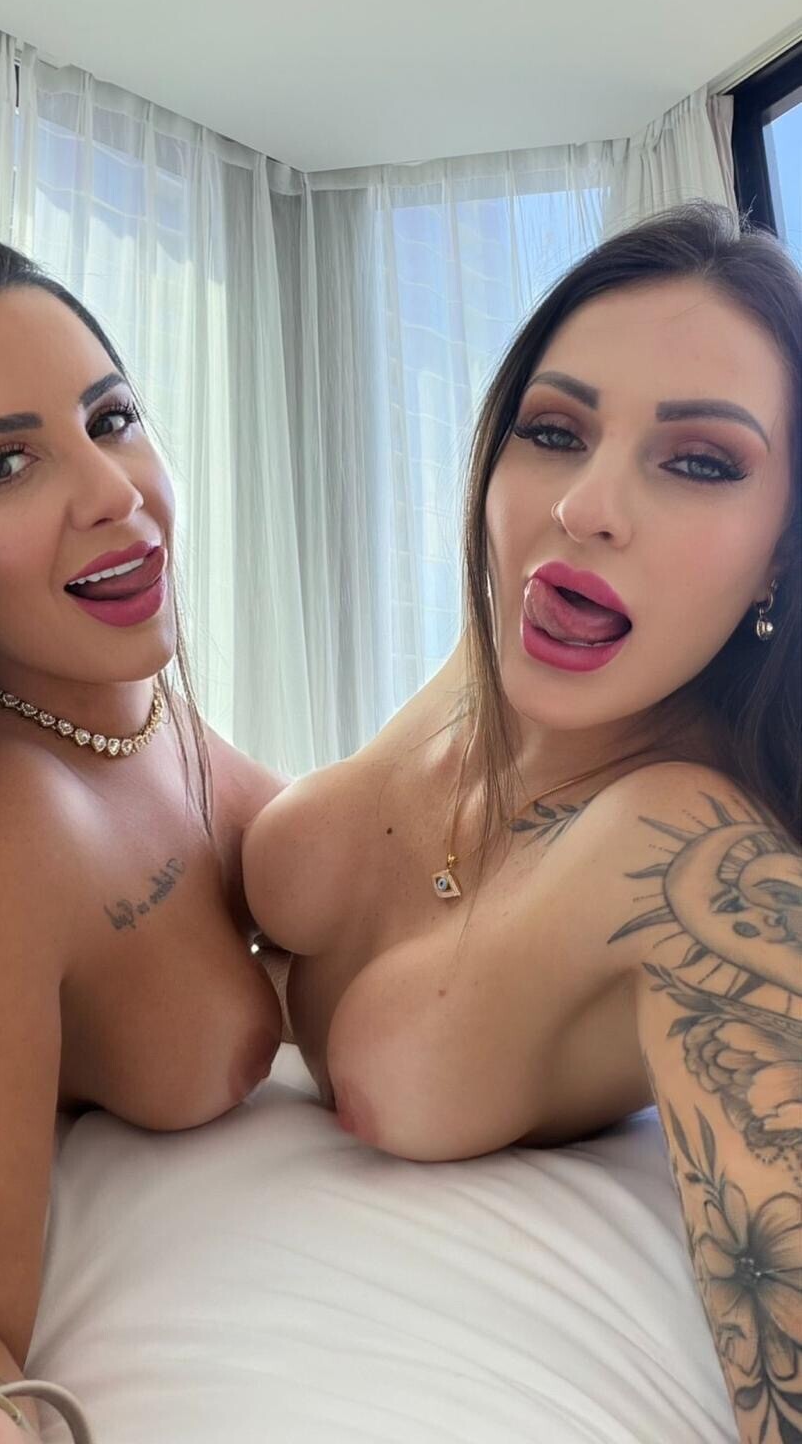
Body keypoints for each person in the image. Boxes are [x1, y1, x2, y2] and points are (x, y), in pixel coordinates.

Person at [243, 204, 802, 1444]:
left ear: (780, 555)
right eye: (554, 432)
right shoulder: (496, 661)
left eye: (701, 462)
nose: (586, 507)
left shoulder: (697, 857)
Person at [0, 237, 284, 1441]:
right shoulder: (6, 829)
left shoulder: (131, 703)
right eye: (4, 464)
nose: (112, 490)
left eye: (109, 417)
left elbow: (317, 849)